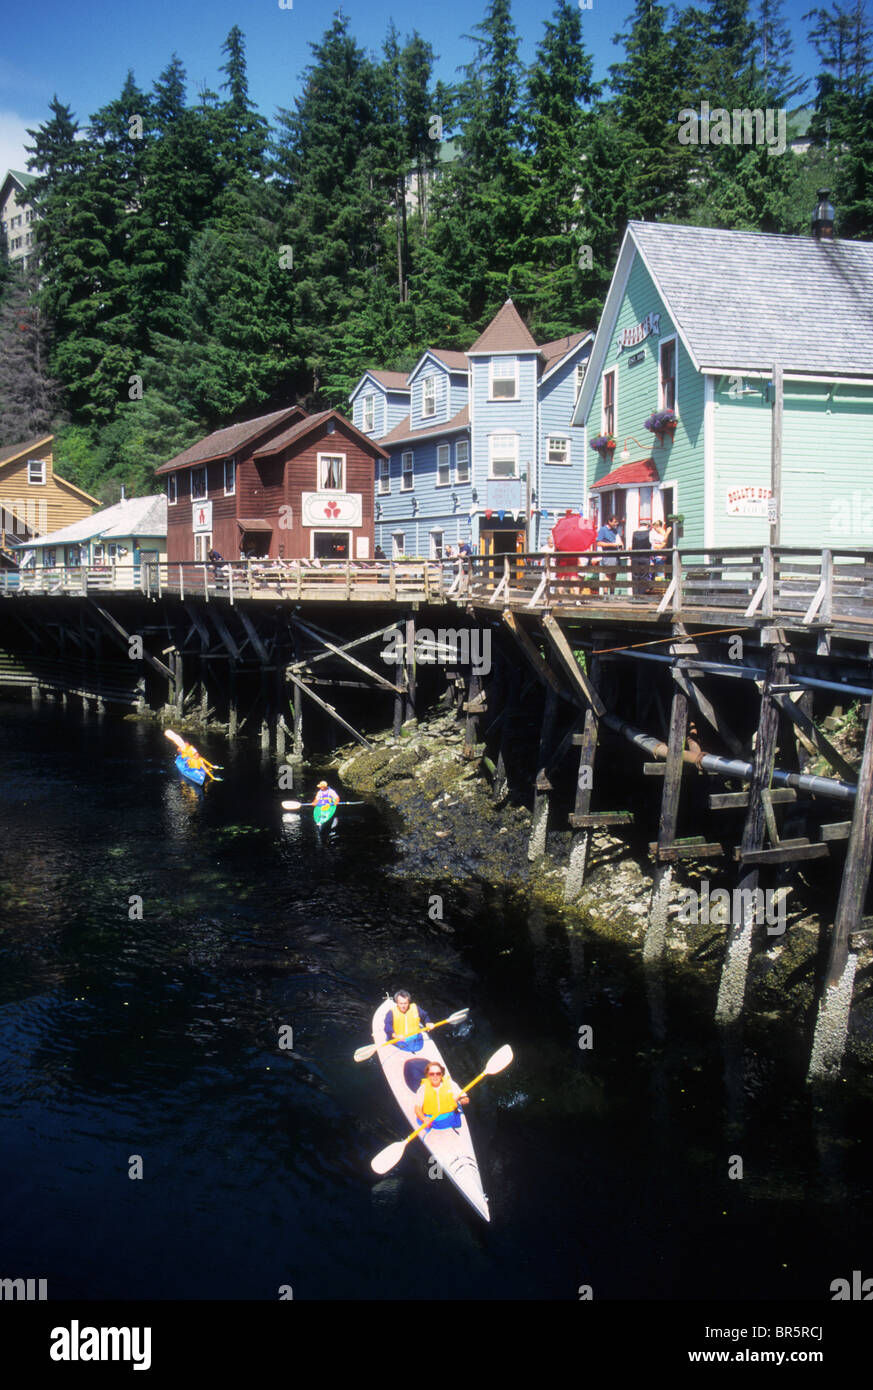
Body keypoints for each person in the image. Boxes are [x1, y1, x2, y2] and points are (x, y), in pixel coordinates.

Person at [414, 1060, 469, 1131]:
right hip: (431, 1120)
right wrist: (423, 1118)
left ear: (442, 1074)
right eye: (432, 1074)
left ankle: (452, 1127)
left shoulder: (451, 1084)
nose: (435, 1076)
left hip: (449, 1117)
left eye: (438, 1073)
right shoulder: (423, 1088)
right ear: (427, 1075)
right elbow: (417, 1107)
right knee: (421, 1121)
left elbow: (465, 1098)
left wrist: (463, 1100)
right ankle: (429, 1129)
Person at [384, 989, 432, 1054]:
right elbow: (387, 1026)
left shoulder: (415, 1008)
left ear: (409, 1002)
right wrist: (395, 1036)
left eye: (405, 1003)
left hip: (415, 1037)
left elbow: (425, 1016)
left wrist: (428, 1022)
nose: (403, 1006)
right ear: (397, 1003)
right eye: (401, 1003)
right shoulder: (391, 1013)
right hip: (399, 1039)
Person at [597, 514, 624, 595]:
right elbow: (599, 543)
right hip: (608, 554)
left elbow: (618, 539)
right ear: (609, 521)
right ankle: (605, 593)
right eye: (615, 522)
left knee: (614, 575)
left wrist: (621, 545)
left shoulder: (615, 530)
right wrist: (613, 544)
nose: (616, 524)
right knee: (608, 574)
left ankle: (612, 593)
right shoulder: (603, 530)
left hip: (616, 554)